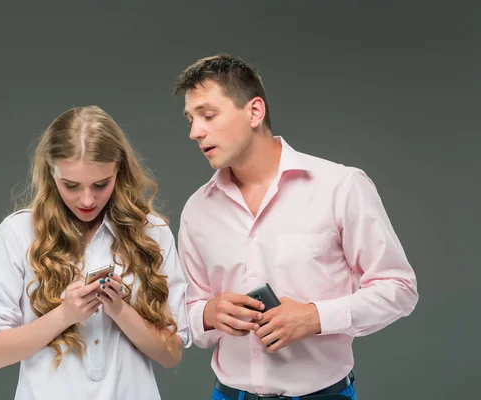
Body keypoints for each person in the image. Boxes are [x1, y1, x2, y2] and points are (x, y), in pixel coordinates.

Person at [173, 54, 418, 400]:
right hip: (228, 394)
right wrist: (209, 314)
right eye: (191, 119)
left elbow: (400, 289)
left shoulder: (341, 187)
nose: (194, 132)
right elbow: (187, 313)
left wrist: (316, 317)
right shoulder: (197, 210)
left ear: (255, 112)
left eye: (208, 115)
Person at [0, 106, 191, 400]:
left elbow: (170, 355)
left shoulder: (152, 232)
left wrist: (120, 310)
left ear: (119, 171)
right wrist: (65, 314)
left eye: (101, 184)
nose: (87, 200)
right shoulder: (18, 233)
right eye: (71, 186)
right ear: (51, 172)